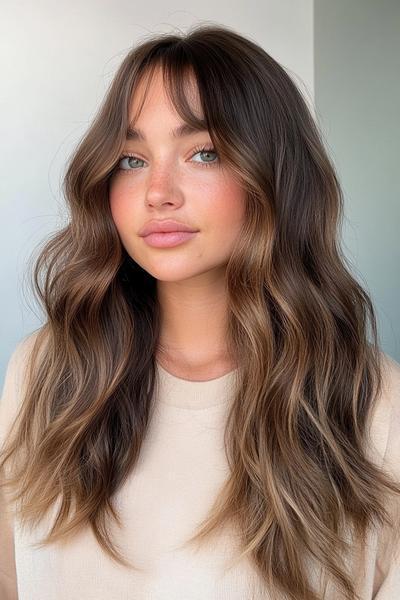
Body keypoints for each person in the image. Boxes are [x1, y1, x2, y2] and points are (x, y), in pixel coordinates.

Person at [1, 22, 399, 600]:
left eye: (203, 152)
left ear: (276, 177)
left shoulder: (375, 405)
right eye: (132, 160)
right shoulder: (47, 371)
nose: (158, 191)